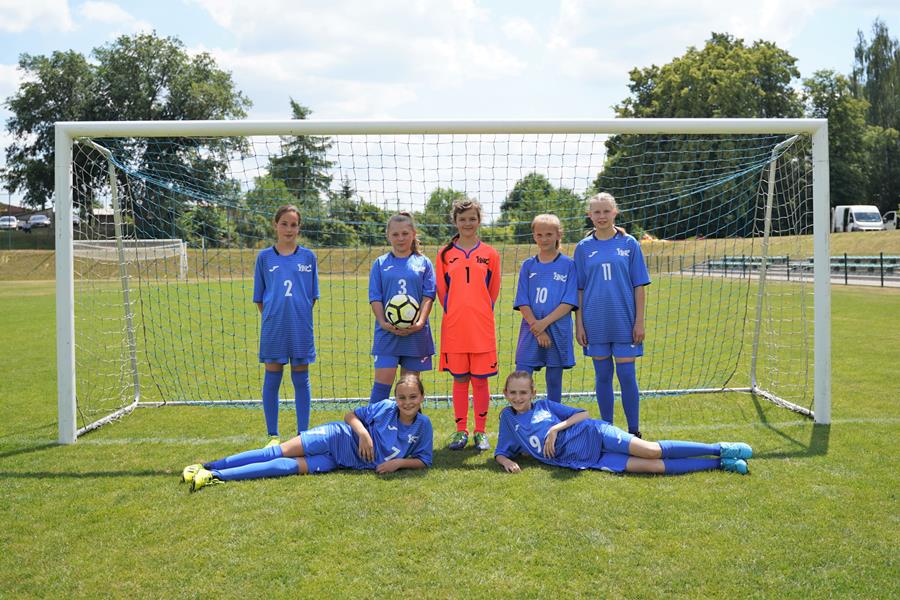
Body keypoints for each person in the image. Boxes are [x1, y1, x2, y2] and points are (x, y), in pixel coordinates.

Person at [182, 374, 433, 491]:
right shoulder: (386, 407)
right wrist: (364, 435)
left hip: (340, 461)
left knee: (285, 467)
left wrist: (398, 464)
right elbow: (351, 415)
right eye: (402, 397)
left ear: (422, 397)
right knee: (276, 452)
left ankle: (214, 476)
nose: (407, 402)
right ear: (395, 398)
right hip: (336, 436)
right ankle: (206, 466)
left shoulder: (423, 426)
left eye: (413, 397)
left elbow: (424, 460)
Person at [494, 371, 752, 475]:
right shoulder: (508, 419)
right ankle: (721, 464)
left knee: (652, 450)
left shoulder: (545, 406)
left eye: (523, 392)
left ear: (533, 393)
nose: (518, 397)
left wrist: (555, 428)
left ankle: (719, 448)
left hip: (594, 433)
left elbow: (583, 414)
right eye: (513, 393)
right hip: (584, 458)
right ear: (505, 394)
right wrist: (506, 462)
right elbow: (500, 452)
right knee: (653, 467)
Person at [574, 192, 650, 437]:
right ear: (589, 215)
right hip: (595, 322)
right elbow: (579, 289)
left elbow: (639, 285)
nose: (602, 216)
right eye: (596, 212)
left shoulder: (629, 244)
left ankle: (634, 431)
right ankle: (607, 431)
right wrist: (579, 325)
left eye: (606, 211)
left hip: (624, 321)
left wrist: (639, 322)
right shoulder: (583, 248)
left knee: (627, 375)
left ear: (615, 212)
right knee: (603, 376)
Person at [436, 197, 501, 451]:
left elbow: (492, 292)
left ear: (479, 220)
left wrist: (478, 311)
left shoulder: (490, 254)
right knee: (460, 379)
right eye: (462, 219)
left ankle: (480, 432)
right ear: (455, 221)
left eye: (472, 218)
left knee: (481, 381)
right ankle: (461, 431)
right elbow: (443, 293)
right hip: (455, 329)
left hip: (481, 329)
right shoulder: (445, 255)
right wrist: (457, 313)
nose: (467, 223)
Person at [252, 204, 319, 445]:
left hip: (300, 327)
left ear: (299, 228)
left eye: (293, 225)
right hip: (274, 327)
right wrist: (275, 316)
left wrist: (297, 315)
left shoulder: (308, 257)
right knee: (272, 377)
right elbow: (260, 298)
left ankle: (303, 434)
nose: (289, 229)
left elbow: (312, 296)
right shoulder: (264, 257)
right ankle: (273, 435)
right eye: (284, 224)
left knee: (301, 379)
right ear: (275, 225)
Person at [367, 212, 436, 403]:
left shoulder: (424, 263)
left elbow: (429, 296)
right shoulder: (380, 263)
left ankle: (410, 424)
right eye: (395, 234)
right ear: (388, 236)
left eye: (405, 233)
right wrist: (383, 322)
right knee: (381, 389)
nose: (400, 238)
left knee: (410, 392)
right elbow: (375, 296)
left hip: (416, 334)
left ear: (413, 234)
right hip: (387, 333)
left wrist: (420, 322)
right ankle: (373, 422)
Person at [513, 214, 578, 403]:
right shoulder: (528, 265)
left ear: (559, 235)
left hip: (558, 328)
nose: (544, 239)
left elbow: (569, 301)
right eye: (539, 235)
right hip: (531, 329)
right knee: (521, 376)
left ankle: (554, 416)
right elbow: (522, 301)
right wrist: (538, 328)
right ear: (534, 235)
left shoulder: (569, 265)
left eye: (549, 234)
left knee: (554, 379)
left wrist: (544, 324)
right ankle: (521, 414)